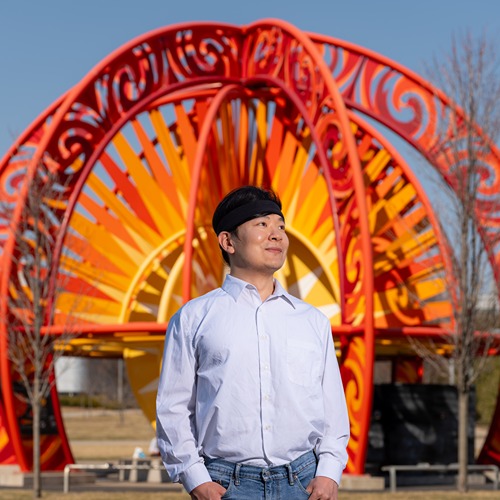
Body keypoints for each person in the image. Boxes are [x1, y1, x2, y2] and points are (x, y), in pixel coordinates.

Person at [156, 186, 349, 500]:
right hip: (223, 483)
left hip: (304, 482)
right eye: (262, 224)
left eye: (280, 226)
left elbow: (332, 409)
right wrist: (195, 478)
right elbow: (173, 408)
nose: (276, 235)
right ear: (228, 241)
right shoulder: (193, 317)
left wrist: (329, 472)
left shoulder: (312, 321)